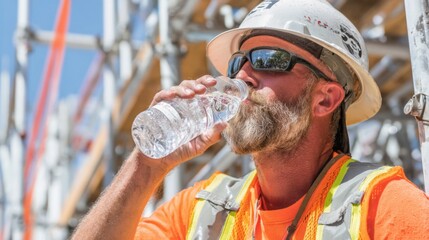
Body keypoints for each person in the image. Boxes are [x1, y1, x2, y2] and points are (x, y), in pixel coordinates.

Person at [72, 0, 429, 239]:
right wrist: (146, 167)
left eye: (268, 59)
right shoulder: (203, 211)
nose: (242, 75)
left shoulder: (382, 205)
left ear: (326, 98)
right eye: (237, 61)